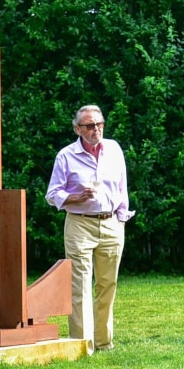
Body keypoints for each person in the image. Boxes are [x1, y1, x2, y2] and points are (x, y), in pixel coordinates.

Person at [45, 105, 133, 353]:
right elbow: (52, 195)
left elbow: (122, 187)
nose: (96, 130)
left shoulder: (114, 149)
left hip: (112, 223)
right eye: (89, 126)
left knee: (107, 284)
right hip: (80, 223)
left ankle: (104, 343)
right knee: (80, 285)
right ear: (77, 129)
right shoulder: (66, 156)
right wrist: (76, 197)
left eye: (99, 124)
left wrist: (121, 219)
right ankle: (83, 346)